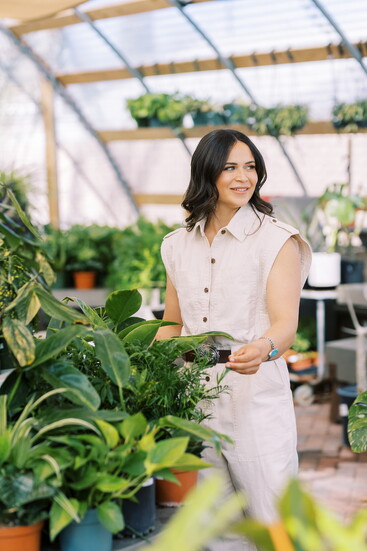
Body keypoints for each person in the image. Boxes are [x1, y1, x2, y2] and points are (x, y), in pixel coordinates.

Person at [156, 129, 312, 550]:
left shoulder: (276, 240)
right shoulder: (175, 245)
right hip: (196, 402)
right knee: (216, 529)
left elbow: (285, 327)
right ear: (207, 173)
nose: (244, 177)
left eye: (250, 166)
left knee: (274, 522)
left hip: (255, 399)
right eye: (230, 167)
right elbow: (172, 324)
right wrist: (154, 360)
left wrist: (263, 349)